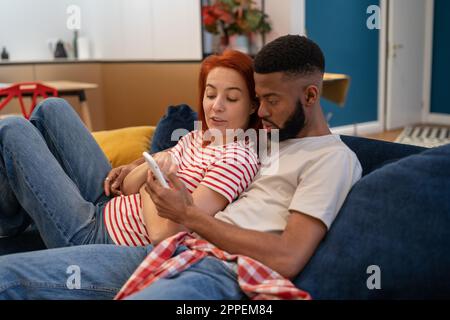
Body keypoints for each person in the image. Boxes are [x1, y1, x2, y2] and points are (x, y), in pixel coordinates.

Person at [0, 35, 362, 300]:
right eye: (261, 100)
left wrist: (181, 207)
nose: (264, 112)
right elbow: (180, 155)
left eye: (270, 101)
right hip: (168, 240)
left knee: (14, 129)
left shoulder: (331, 158)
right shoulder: (266, 138)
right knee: (50, 110)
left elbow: (289, 256)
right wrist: (141, 166)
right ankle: (14, 226)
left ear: (311, 96)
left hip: (199, 258)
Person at [0, 50, 260, 248]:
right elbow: (126, 187)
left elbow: (170, 233)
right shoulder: (195, 137)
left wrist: (149, 177)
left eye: (232, 98)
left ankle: (9, 223)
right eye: (211, 94)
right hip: (107, 203)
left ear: (252, 105)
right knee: (51, 108)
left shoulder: (237, 158)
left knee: (12, 128)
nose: (217, 106)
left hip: (96, 237)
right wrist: (149, 170)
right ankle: (13, 219)